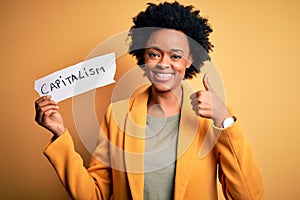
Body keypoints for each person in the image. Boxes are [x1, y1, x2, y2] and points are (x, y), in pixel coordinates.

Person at [35, 2, 264, 200]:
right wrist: (59, 135)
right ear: (144, 56)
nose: (164, 63)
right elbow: (95, 195)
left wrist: (224, 120)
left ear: (190, 60)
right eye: (155, 54)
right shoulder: (117, 115)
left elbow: (249, 196)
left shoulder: (213, 117)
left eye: (175, 56)